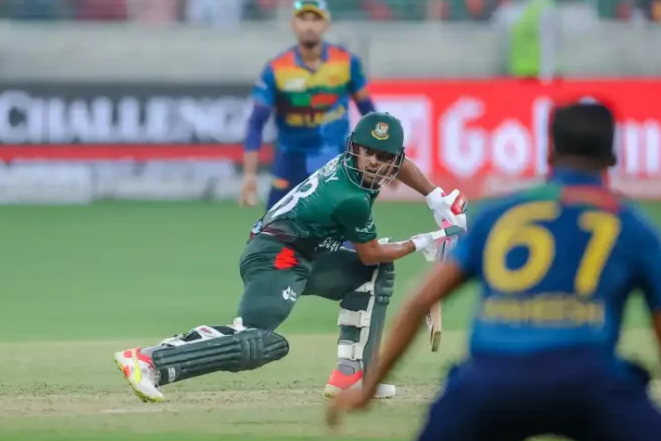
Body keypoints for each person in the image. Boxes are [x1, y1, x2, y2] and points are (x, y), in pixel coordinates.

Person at [328, 102, 661, 441]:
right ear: (613, 158)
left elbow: (416, 301)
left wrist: (368, 389)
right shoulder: (635, 228)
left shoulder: (502, 215)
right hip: (589, 383)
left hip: (491, 382)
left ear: (549, 154)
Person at [115, 112, 465, 403]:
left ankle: (355, 374)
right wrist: (423, 242)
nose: (376, 163)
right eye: (369, 153)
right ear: (355, 149)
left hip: (308, 253)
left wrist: (434, 195)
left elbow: (394, 176)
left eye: (385, 157)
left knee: (372, 274)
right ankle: (149, 360)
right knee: (257, 341)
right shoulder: (350, 198)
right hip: (276, 256)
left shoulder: (354, 169)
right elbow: (370, 250)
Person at [239, 0, 375, 211]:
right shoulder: (276, 69)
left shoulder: (347, 63)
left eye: (315, 19)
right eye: (303, 19)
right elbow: (256, 122)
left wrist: (383, 157)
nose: (309, 26)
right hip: (290, 169)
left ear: (326, 24)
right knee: (272, 242)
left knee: (346, 244)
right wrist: (249, 175)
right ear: (293, 24)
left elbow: (369, 113)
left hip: (337, 169)